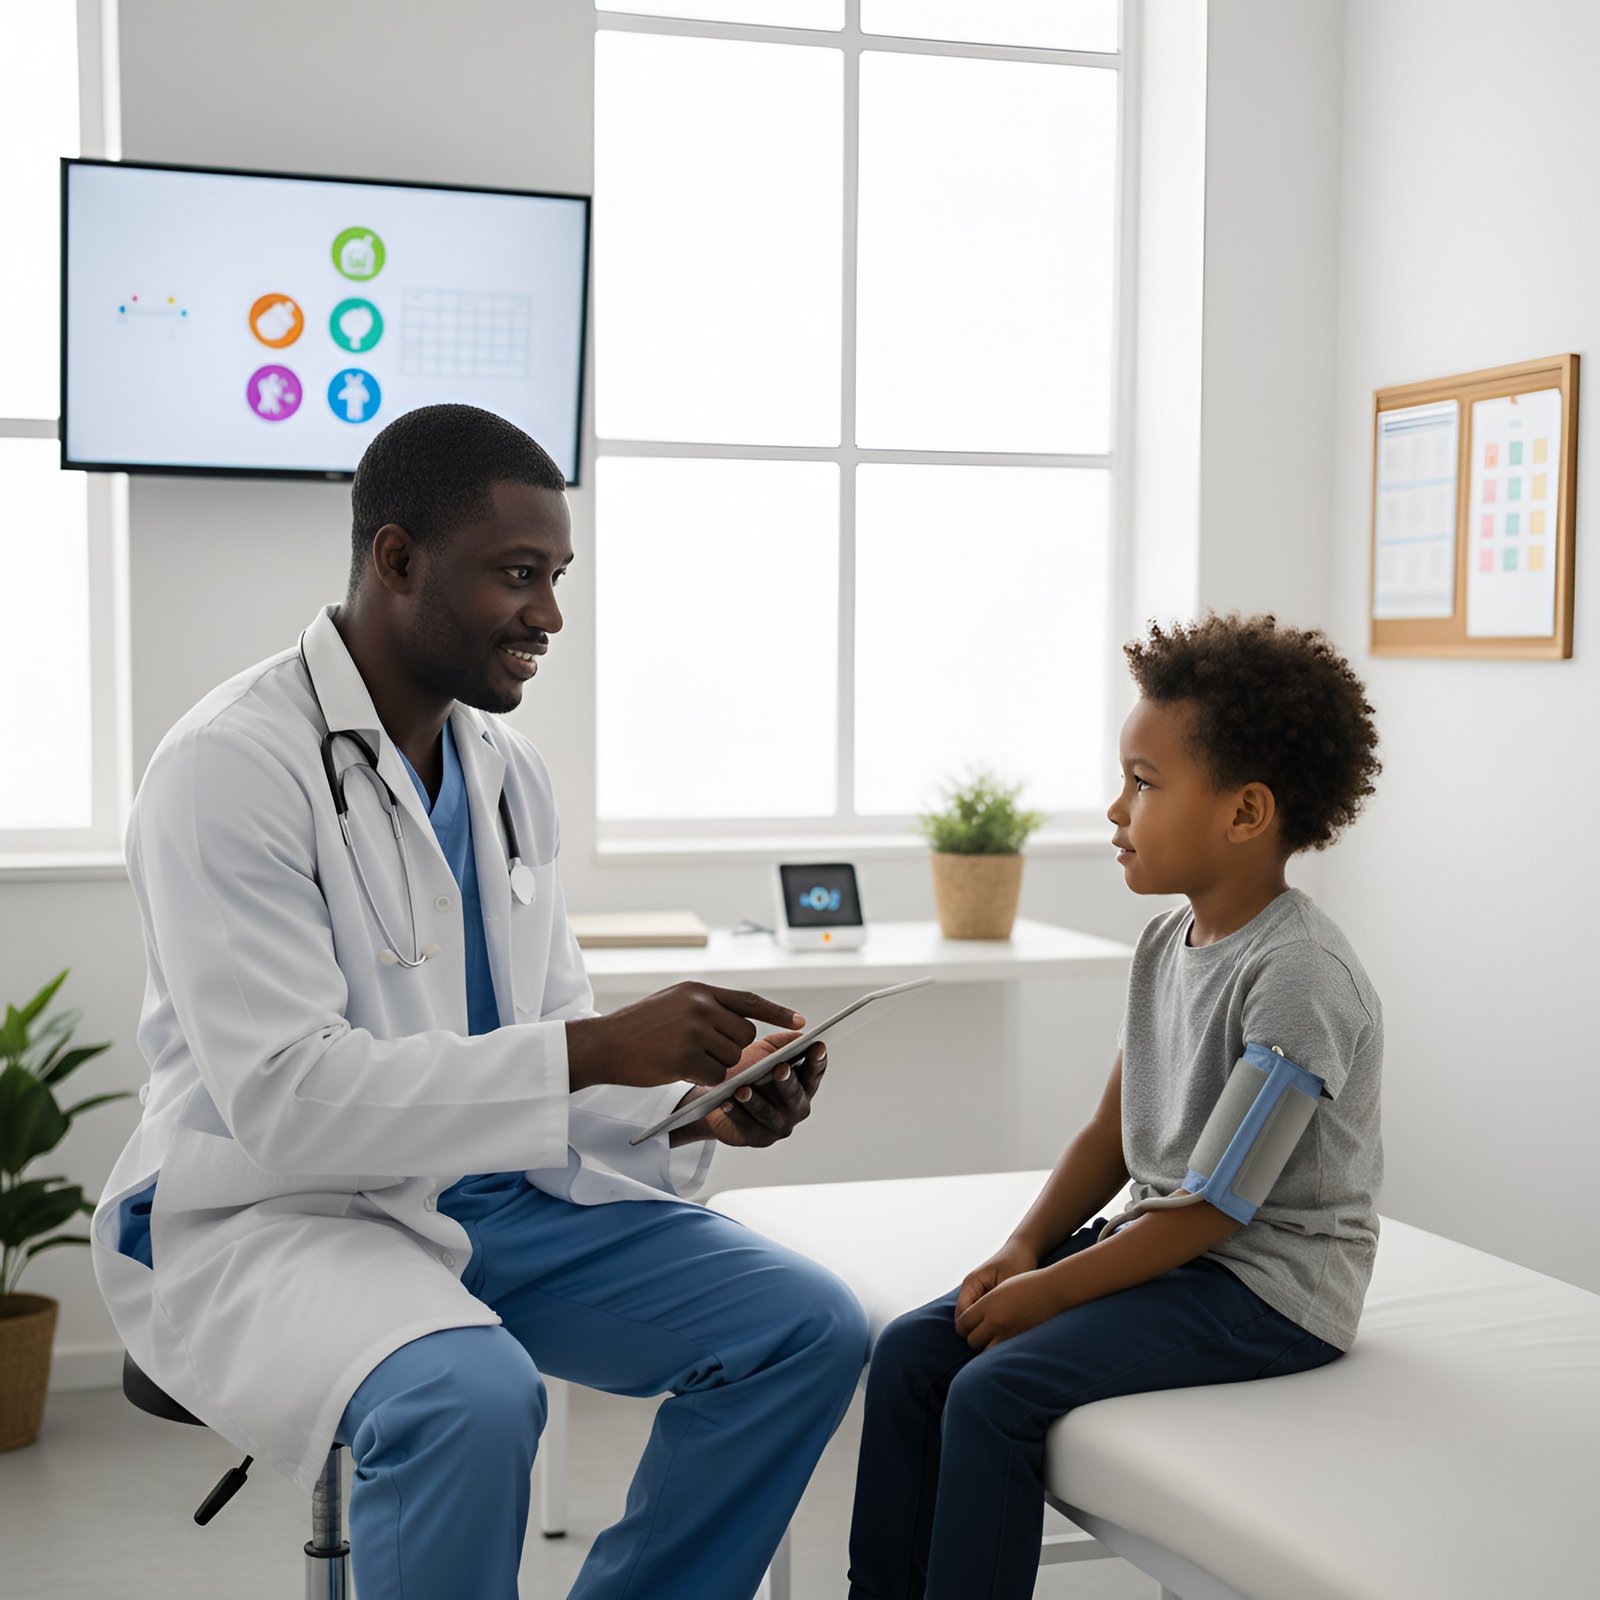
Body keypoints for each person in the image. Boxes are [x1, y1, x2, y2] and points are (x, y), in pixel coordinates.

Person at [91, 403, 869, 1600]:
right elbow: (288, 1101)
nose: (550, 614)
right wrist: (600, 1044)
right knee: (472, 1396)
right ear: (397, 558)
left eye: (557, 576)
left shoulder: (506, 774)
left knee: (805, 1326)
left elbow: (543, 1048)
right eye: (519, 574)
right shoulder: (226, 767)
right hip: (280, 1208)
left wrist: (690, 1110)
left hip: (492, 1191)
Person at [847, 613, 1384, 1600]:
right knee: (917, 1351)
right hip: (1172, 1248)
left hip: (1266, 1288)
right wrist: (1022, 1250)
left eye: (1142, 782)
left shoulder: (1297, 975)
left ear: (1245, 811)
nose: (1113, 808)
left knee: (995, 1392)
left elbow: (1219, 1206)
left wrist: (1052, 1291)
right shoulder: (1164, 945)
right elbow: (1110, 1134)